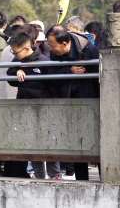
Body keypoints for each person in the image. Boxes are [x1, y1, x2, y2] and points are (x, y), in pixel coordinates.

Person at [44, 25, 100, 181]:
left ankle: (105, 177)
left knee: (96, 141)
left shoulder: (87, 50)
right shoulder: (55, 53)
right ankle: (81, 180)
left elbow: (100, 75)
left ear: (65, 43)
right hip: (68, 102)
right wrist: (69, 70)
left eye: (53, 45)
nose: (51, 49)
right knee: (76, 142)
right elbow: (51, 72)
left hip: (90, 103)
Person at [5, 31, 59, 180]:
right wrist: (17, 70)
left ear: (27, 48)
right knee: (31, 141)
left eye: (15, 51)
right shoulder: (18, 61)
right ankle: (39, 175)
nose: (14, 55)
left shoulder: (43, 61)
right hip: (24, 107)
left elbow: (54, 86)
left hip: (44, 108)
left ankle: (55, 174)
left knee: (48, 141)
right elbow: (10, 77)